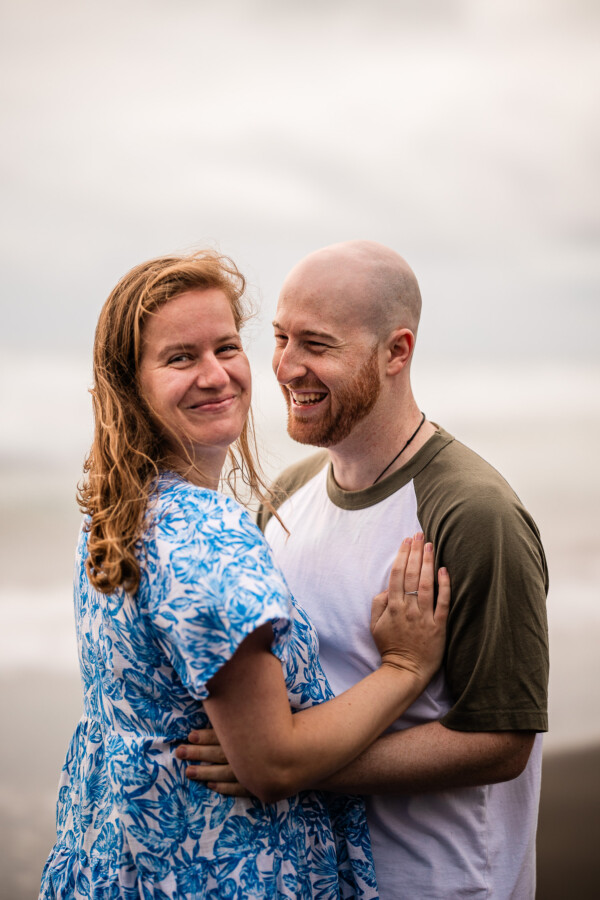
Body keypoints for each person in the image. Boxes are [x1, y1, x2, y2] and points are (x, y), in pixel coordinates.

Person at [39, 250, 451, 900]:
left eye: (226, 347)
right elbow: (272, 764)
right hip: (218, 869)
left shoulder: (114, 508)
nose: (216, 375)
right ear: (130, 382)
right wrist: (405, 668)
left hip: (117, 855)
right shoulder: (210, 539)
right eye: (180, 357)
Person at [181, 241, 550, 900]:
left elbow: (503, 738)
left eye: (317, 345)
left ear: (395, 352)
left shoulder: (473, 512)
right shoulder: (286, 497)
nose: (287, 367)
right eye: (281, 337)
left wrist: (288, 766)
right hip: (320, 877)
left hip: (444, 881)